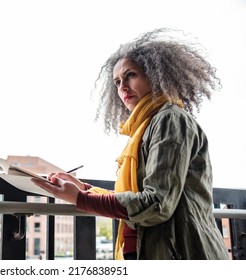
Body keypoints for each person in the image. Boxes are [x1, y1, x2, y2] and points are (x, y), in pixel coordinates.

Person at [32, 28, 229, 260]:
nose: (122, 87)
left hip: (182, 253)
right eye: (116, 81)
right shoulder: (144, 127)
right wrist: (84, 189)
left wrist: (81, 199)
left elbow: (156, 203)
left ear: (157, 75)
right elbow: (138, 196)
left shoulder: (170, 119)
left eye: (130, 75)